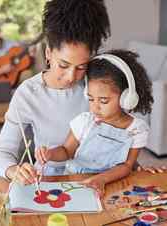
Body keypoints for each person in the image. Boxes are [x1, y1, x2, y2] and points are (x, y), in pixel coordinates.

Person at [0, 0, 111, 184]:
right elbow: (2, 153)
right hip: (47, 182)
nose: (71, 76)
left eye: (81, 67)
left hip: (95, 179)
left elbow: (120, 131)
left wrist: (133, 165)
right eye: (63, 65)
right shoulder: (28, 93)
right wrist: (13, 170)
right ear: (48, 53)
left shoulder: (97, 85)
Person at [35, 49, 154, 197]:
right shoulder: (85, 121)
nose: (95, 106)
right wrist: (50, 153)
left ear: (126, 97)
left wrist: (101, 179)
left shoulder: (137, 129)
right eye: (91, 99)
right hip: (76, 181)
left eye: (103, 100)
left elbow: (127, 166)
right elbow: (66, 151)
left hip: (110, 182)